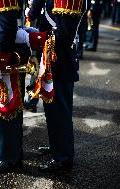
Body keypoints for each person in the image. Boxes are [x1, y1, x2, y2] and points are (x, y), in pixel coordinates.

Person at [29, 0, 84, 172]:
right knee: (52, 111)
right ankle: (57, 147)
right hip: (53, 58)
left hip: (60, 61)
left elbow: (64, 35)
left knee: (59, 111)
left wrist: (34, 37)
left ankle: (63, 157)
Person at [0, 0, 31, 174]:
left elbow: (8, 25)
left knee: (5, 107)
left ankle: (8, 158)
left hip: (5, 51)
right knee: (12, 107)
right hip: (9, 48)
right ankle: (13, 154)